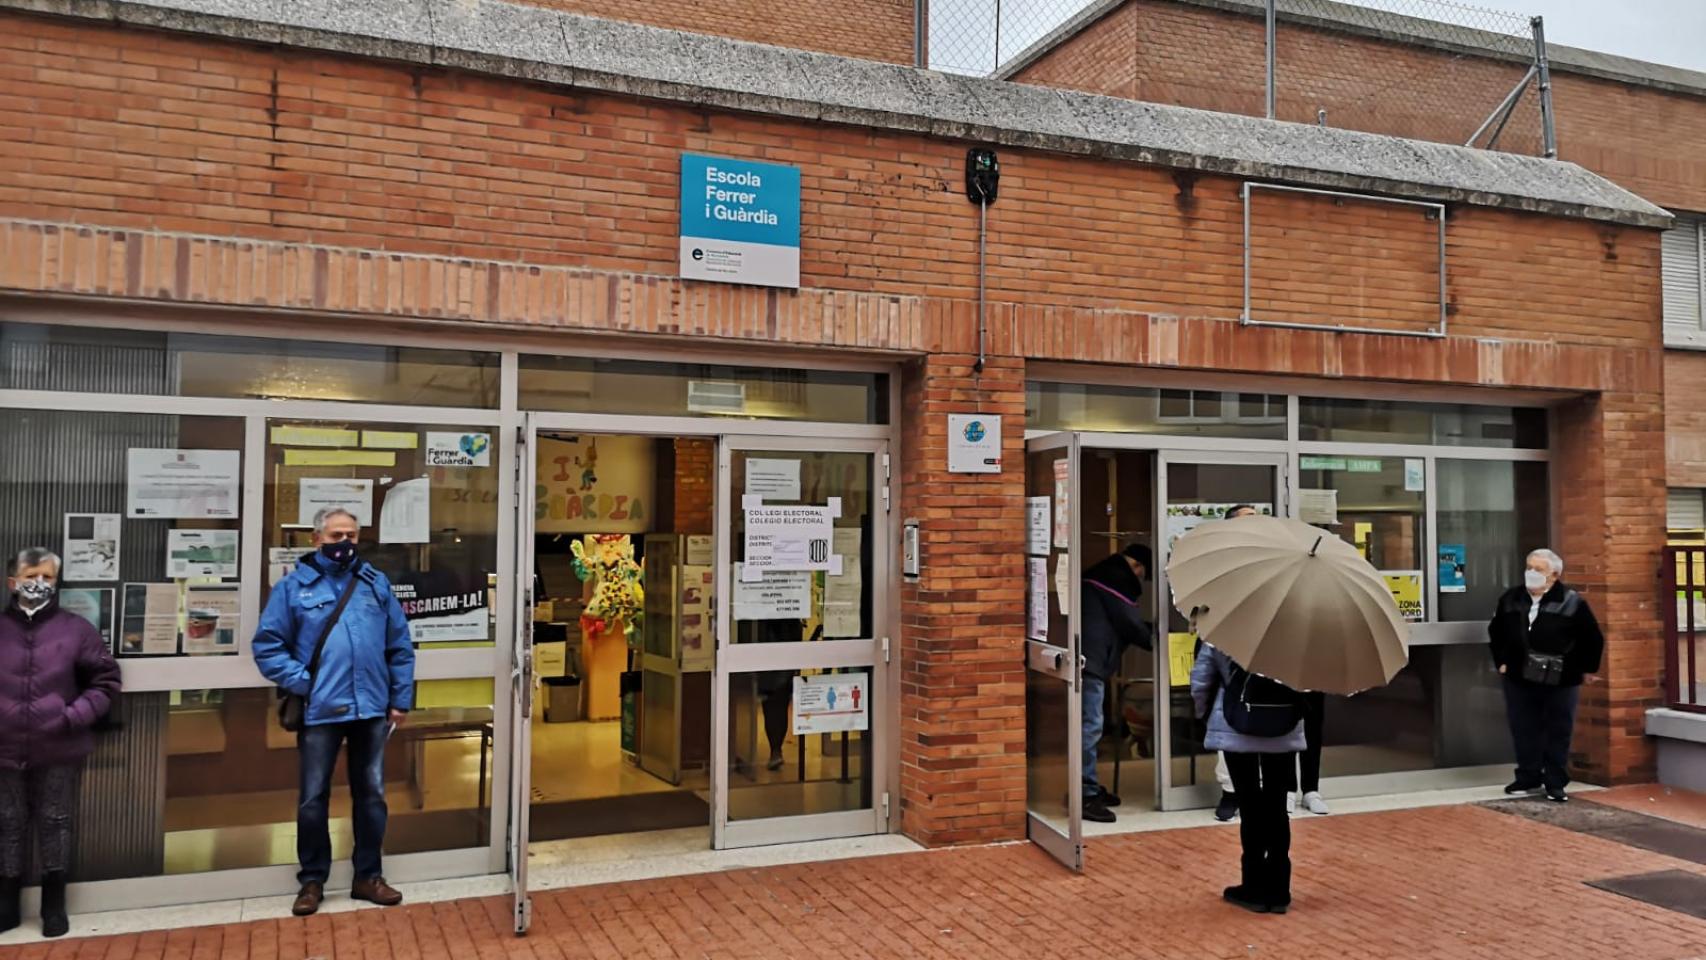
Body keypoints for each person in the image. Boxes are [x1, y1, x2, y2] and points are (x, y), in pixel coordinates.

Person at [253, 508, 415, 916]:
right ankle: (312, 880)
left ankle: (368, 877)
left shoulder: (375, 585)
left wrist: (400, 698)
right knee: (312, 799)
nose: (344, 542)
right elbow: (268, 647)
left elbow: (399, 645)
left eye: (351, 534)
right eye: (335, 534)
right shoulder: (293, 588)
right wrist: (306, 684)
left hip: (371, 710)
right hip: (319, 711)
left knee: (372, 796)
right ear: (316, 538)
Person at [0, 548, 121, 938]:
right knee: (8, 822)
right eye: (32, 574)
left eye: (49, 577)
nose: (39, 583)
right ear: (12, 582)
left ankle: (54, 903)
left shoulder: (76, 629)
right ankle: (7, 901)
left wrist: (72, 717)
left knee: (55, 821)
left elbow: (105, 682)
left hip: (58, 744)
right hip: (4, 745)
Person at [1191, 640, 1304, 915]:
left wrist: (1205, 715)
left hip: (1235, 724)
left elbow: (1201, 679)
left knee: (1250, 803)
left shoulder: (1224, 629)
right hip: (1283, 725)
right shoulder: (1294, 631)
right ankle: (1279, 890)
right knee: (1277, 805)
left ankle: (1253, 887)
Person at [1488, 548, 1603, 804]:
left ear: (1554, 575)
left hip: (1560, 677)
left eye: (1538, 569)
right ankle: (1528, 775)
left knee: (1558, 729)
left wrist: (1585, 669)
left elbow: (1592, 639)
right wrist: (1502, 662)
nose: (1531, 573)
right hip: (1519, 675)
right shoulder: (1511, 598)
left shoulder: (1572, 602)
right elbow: (1496, 632)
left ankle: (1555, 781)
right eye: (1529, 567)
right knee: (1523, 727)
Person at [1081, 543, 1153, 823]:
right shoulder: (1114, 581)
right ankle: (1086, 795)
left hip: (1088, 661)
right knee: (1090, 727)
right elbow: (1131, 625)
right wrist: (1159, 639)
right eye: (1142, 575)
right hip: (1091, 664)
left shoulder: (1100, 575)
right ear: (1136, 566)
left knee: (1088, 726)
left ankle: (1086, 785)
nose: (1139, 582)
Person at [1210, 504, 1262, 823]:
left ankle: (1264, 789)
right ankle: (1231, 791)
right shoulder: (1220, 561)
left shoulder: (1267, 559)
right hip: (1229, 651)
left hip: (1264, 650)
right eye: (1248, 519)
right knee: (1227, 721)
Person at [1284, 692, 1329, 815]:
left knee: (1313, 726)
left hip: (1314, 678)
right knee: (1285, 721)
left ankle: (1311, 790)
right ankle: (1288, 789)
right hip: (1284, 678)